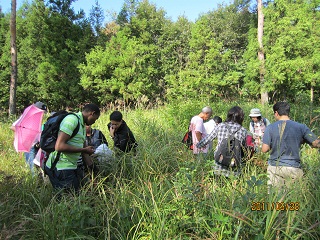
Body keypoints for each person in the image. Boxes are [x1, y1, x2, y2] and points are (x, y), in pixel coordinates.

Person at [261, 102, 320, 188]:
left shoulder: (270, 128)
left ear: (276, 113)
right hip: (294, 167)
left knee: (275, 198)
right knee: (294, 198)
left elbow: (264, 149)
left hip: (275, 167)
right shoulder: (301, 127)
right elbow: (316, 143)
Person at [44, 103, 100, 192]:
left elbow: (84, 151)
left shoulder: (81, 125)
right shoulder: (72, 120)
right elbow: (59, 146)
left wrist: (93, 169)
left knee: (80, 193)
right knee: (68, 199)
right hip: (61, 167)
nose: (94, 121)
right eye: (95, 118)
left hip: (71, 166)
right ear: (92, 113)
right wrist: (83, 149)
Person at [197, 106, 247, 177]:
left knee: (218, 182)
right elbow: (244, 148)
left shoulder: (221, 126)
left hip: (219, 161)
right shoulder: (243, 130)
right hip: (234, 164)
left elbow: (208, 138)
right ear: (241, 117)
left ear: (229, 115)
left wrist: (198, 145)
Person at [11, 101, 47, 176]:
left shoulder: (38, 118)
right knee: (32, 166)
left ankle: (38, 182)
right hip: (30, 146)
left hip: (37, 145)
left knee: (38, 165)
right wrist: (26, 132)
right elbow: (14, 126)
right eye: (42, 112)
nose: (43, 114)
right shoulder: (28, 117)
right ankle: (34, 184)